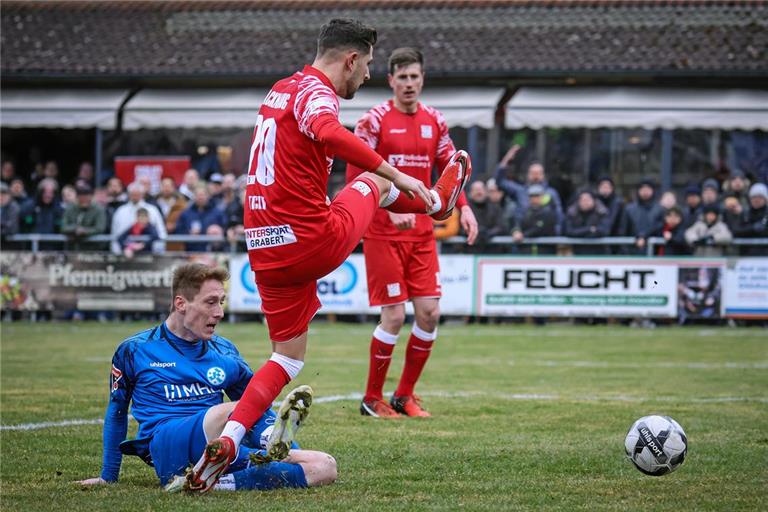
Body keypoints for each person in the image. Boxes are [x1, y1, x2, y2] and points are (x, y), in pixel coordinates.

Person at [188, 19, 470, 492]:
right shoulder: (318, 92)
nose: (367, 79)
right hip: (309, 239)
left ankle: (231, 439)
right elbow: (327, 129)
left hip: (264, 248)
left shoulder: (279, 89)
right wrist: (396, 176)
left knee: (288, 358)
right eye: (369, 68)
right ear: (350, 59)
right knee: (377, 182)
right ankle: (435, 203)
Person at [76, 263, 336, 492]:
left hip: (217, 449)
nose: (219, 312)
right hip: (167, 445)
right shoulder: (135, 350)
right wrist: (107, 476)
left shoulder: (224, 351)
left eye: (221, 302)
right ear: (181, 304)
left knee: (324, 466)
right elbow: (117, 411)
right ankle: (271, 440)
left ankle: (211, 482)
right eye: (210, 302)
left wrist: (287, 449)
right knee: (236, 409)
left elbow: (260, 407)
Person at [346, 47, 478, 418]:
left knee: (430, 313)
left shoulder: (435, 121)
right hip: (383, 232)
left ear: (422, 79)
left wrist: (464, 208)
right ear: (390, 81)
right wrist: (388, 210)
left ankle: (404, 396)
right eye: (401, 77)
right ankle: (372, 399)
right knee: (393, 316)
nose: (408, 84)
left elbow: (450, 169)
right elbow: (357, 176)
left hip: (421, 231)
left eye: (414, 77)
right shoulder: (373, 121)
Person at [494, 145, 564, 234]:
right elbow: (500, 181)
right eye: (533, 173)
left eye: (538, 173)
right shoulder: (520, 191)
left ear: (543, 175)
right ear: (528, 175)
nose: (536, 176)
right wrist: (506, 160)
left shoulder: (551, 193)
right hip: (523, 238)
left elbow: (559, 216)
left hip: (546, 239)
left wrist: (557, 236)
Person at [110, 182, 166, 254]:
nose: (135, 197)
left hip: (149, 253)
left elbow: (160, 232)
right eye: (132, 194)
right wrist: (117, 251)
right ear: (128, 194)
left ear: (142, 195)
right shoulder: (120, 211)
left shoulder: (152, 210)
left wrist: (158, 251)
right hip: (125, 253)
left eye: (137, 194)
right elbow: (115, 233)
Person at [174, 185, 227, 252]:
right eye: (198, 195)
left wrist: (218, 231)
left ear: (208, 196)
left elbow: (225, 228)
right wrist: (188, 233)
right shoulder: (186, 214)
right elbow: (178, 230)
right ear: (194, 196)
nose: (200, 197)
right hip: (191, 252)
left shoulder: (217, 213)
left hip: (212, 252)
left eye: (203, 195)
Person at [512, 184, 558, 255]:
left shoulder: (548, 211)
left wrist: (523, 235)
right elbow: (518, 222)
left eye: (537, 196)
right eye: (532, 196)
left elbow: (539, 228)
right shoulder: (525, 211)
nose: (534, 199)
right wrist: (516, 231)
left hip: (545, 251)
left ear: (542, 196)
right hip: (527, 251)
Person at [621, 179, 664, 254]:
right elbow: (623, 230)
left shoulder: (660, 209)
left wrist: (644, 237)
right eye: (643, 189)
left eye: (648, 189)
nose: (645, 192)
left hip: (654, 251)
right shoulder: (629, 209)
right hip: (632, 250)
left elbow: (659, 227)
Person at [564, 189, 610, 255]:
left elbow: (604, 230)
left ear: (594, 200)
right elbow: (569, 232)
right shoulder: (572, 213)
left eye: (588, 199)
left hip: (599, 253)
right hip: (578, 253)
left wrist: (580, 233)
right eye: (582, 200)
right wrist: (589, 229)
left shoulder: (601, 212)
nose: (585, 202)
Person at [467, 180, 507, 250]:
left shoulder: (495, 208)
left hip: (492, 249)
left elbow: (501, 226)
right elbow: (462, 228)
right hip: (470, 249)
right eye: (476, 190)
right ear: (470, 193)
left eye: (481, 189)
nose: (479, 192)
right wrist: (476, 232)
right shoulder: (466, 209)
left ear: (486, 192)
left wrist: (488, 233)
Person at [732, 182, 768, 256]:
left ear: (765, 199)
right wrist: (753, 228)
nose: (756, 200)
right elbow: (736, 230)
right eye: (754, 197)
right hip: (746, 256)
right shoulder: (745, 213)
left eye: (760, 197)